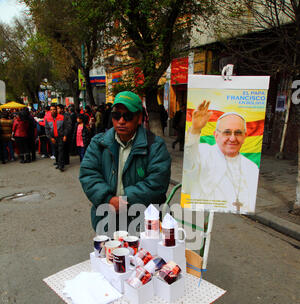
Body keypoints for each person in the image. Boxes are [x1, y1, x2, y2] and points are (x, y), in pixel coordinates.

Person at [79, 91, 171, 234]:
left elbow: (157, 183)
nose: (121, 121)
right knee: (110, 255)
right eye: (116, 115)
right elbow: (88, 175)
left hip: (142, 223)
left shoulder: (155, 145)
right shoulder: (99, 143)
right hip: (107, 219)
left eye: (127, 116)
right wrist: (109, 200)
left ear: (139, 118)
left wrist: (125, 200)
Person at [182, 100, 259, 213]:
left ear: (245, 136)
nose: (232, 138)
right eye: (227, 132)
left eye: (238, 133)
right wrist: (195, 129)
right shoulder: (202, 152)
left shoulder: (251, 167)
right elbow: (189, 162)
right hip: (200, 213)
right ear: (216, 135)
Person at [45, 104, 70, 172]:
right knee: (56, 152)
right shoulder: (48, 119)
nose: (53, 111)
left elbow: (66, 127)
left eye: (54, 109)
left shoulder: (62, 117)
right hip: (53, 138)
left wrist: (65, 135)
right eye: (51, 110)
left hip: (60, 137)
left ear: (56, 110)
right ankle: (58, 163)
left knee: (61, 151)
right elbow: (47, 129)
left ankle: (61, 165)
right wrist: (50, 138)